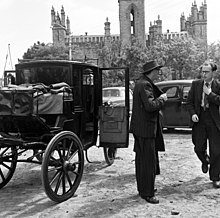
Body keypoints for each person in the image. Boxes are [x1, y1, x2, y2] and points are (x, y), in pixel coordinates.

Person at [130, 60, 167, 204]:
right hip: (146, 130)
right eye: (157, 70)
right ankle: (148, 193)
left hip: (141, 129)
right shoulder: (145, 84)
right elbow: (150, 106)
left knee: (141, 161)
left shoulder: (141, 83)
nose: (159, 73)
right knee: (148, 162)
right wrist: (162, 99)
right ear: (152, 71)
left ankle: (143, 189)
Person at [187, 61, 220, 188]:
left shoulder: (217, 85)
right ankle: (205, 160)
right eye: (203, 72)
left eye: (207, 72)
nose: (204, 74)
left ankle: (215, 177)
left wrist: (209, 94)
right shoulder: (196, 85)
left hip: (214, 121)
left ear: (213, 72)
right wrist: (193, 113)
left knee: (216, 151)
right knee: (198, 148)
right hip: (199, 120)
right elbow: (189, 102)